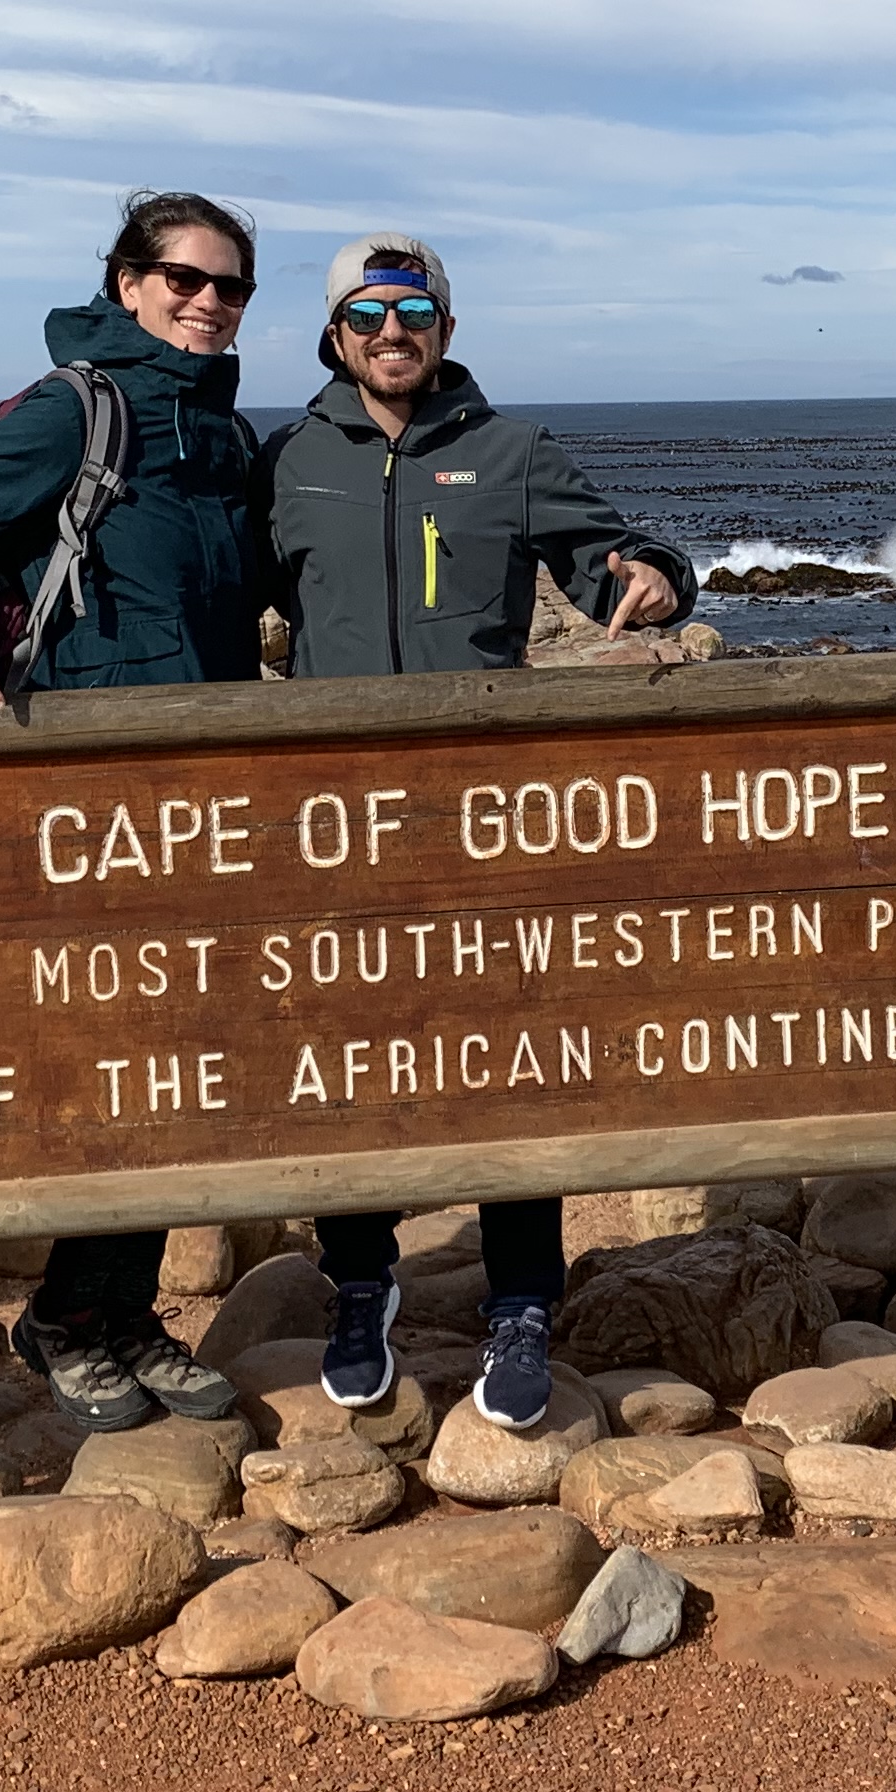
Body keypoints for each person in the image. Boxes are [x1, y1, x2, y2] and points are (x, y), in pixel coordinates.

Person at [260, 233, 697, 1431]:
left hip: (485, 812)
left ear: (446, 329)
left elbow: (615, 554)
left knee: (515, 1054)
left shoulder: (513, 450)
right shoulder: (289, 458)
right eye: (367, 314)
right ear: (336, 335)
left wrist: (655, 575)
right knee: (351, 1052)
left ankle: (520, 1301)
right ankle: (361, 1280)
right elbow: (217, 586)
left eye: (414, 311)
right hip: (339, 814)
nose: (391, 332)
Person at [0, 191, 267, 1431]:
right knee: (124, 1061)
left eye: (231, 286)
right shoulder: (78, 409)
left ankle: (113, 1311)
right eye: (184, 279)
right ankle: (70, 1318)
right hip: (89, 798)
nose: (208, 303)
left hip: (203, 797)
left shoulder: (224, 434)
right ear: (128, 283)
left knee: (183, 1059)